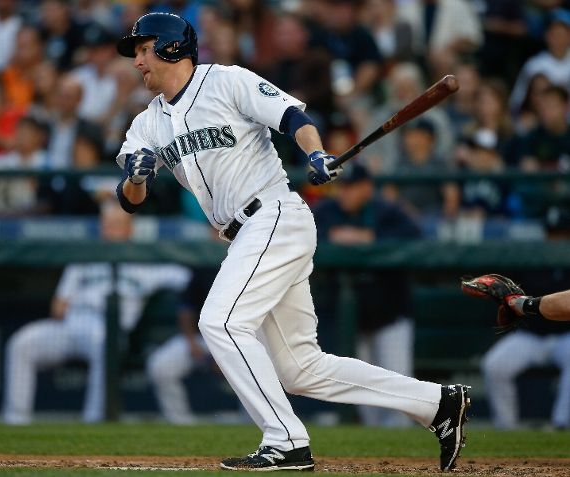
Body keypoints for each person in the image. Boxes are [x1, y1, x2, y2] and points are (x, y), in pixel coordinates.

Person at [115, 12, 470, 472]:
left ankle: (285, 441)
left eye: (143, 49)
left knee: (220, 322)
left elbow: (292, 116)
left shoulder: (226, 81)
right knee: (300, 369)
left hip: (273, 216)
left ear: (170, 47)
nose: (137, 61)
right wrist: (136, 178)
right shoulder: (147, 123)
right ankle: (438, 403)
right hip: (245, 234)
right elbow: (130, 201)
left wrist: (316, 153)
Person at [2, 202, 190, 424]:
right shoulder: (85, 257)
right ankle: (16, 420)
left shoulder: (146, 263)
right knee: (21, 344)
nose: (110, 230)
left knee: (104, 344)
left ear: (129, 229)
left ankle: (95, 419)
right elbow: (58, 305)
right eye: (107, 224)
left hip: (108, 329)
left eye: (116, 225)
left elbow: (188, 276)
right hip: (70, 324)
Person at [313, 163, 422, 427]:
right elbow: (305, 234)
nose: (345, 193)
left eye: (351, 187)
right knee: (365, 395)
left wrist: (369, 237)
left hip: (390, 316)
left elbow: (415, 238)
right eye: (342, 187)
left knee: (398, 389)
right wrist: (333, 236)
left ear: (367, 188)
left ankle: (402, 447)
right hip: (350, 321)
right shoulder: (327, 211)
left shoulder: (387, 211)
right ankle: (379, 449)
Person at [462, 272, 570, 430]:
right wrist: (515, 302)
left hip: (566, 336)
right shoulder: (531, 265)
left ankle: (562, 424)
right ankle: (506, 427)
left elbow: (565, 304)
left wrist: (518, 303)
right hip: (530, 335)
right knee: (494, 365)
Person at [147, 266, 217, 424]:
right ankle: (180, 422)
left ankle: (255, 424)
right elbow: (187, 310)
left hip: (241, 339)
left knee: (256, 371)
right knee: (160, 367)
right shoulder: (204, 269)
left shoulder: (251, 264)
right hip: (201, 338)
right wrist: (191, 342)